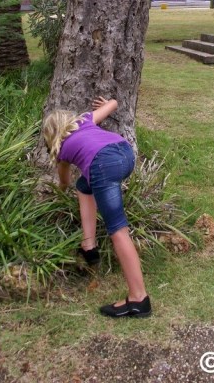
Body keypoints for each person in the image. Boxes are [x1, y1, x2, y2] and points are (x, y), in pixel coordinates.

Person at [43, 96, 151, 318]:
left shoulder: (62, 151)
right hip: (125, 154)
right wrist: (104, 104)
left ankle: (138, 299)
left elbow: (64, 182)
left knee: (118, 230)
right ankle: (89, 245)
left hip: (104, 165)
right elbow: (114, 103)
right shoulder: (84, 121)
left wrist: (57, 195)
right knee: (84, 186)